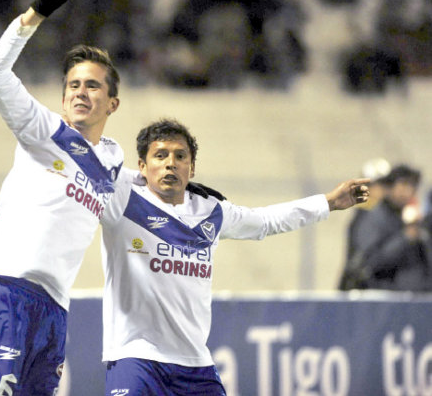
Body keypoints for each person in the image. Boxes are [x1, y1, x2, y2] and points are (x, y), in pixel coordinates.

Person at [99, 118, 370, 395]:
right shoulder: (122, 202)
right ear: (142, 166)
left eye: (180, 156)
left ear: (191, 168)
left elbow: (265, 221)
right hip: (135, 357)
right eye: (160, 155)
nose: (171, 163)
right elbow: (83, 172)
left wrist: (328, 203)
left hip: (194, 364)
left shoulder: (212, 211)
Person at [0, 0, 125, 395]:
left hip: (54, 309)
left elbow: (139, 198)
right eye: (73, 84)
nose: (80, 92)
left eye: (92, 85)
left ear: (113, 103)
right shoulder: (44, 130)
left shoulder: (112, 161)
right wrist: (34, 16)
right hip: (7, 293)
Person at [355, 164, 432, 291]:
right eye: (403, 185)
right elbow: (371, 262)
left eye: (412, 186)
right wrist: (405, 238)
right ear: (389, 187)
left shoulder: (414, 220)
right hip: (386, 299)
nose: (407, 192)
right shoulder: (374, 217)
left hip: (416, 298)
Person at [338, 157, 391, 290]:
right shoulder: (366, 216)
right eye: (379, 185)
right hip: (364, 286)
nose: (383, 190)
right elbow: (359, 259)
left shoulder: (384, 214)